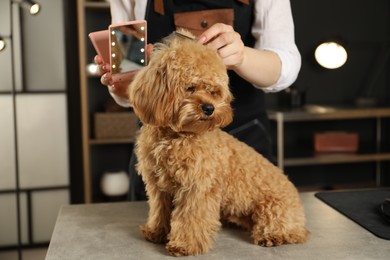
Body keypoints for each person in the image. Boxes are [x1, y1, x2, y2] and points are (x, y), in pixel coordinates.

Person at [95, 0, 301, 200]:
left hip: (242, 139)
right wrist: (127, 87)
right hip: (159, 146)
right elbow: (127, 68)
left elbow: (285, 66)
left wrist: (242, 57)